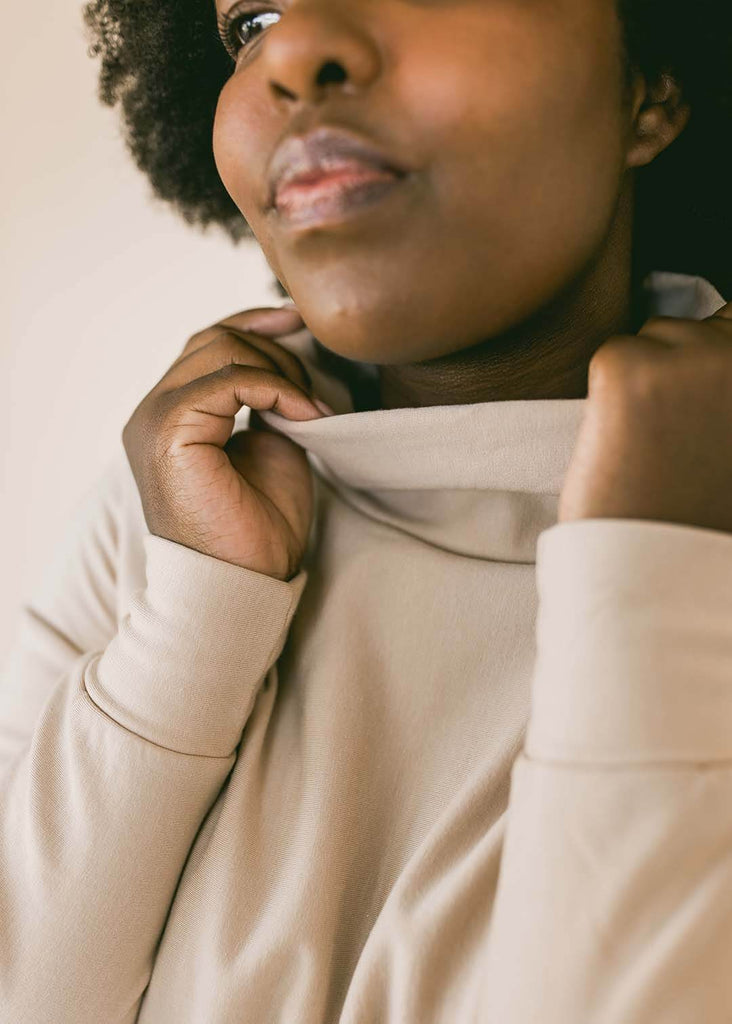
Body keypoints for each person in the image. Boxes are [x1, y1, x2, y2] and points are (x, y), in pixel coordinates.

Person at [1, 0, 731, 1020]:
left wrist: (653, 582)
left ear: (652, 83)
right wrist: (193, 627)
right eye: (251, 19)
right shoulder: (178, 509)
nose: (294, 53)